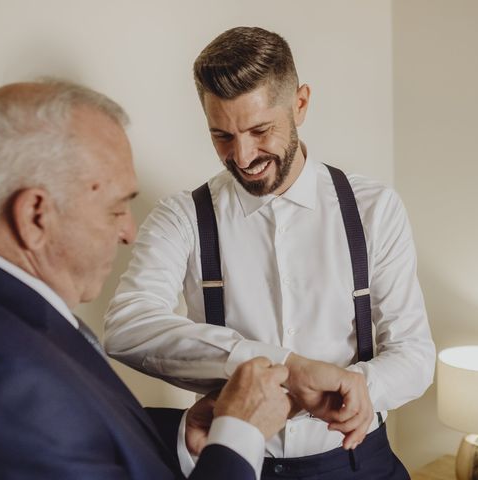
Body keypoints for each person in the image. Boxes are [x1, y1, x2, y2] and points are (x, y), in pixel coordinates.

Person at [0, 80, 293, 479]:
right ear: (35, 216)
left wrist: (181, 433)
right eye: (116, 208)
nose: (128, 230)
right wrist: (239, 437)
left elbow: (71, 436)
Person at [104, 26, 436, 479]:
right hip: (239, 466)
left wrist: (362, 386)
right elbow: (126, 327)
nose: (241, 156)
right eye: (221, 135)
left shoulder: (373, 208)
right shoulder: (181, 216)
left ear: (299, 104)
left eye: (260, 130)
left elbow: (415, 353)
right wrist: (279, 367)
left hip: (359, 463)